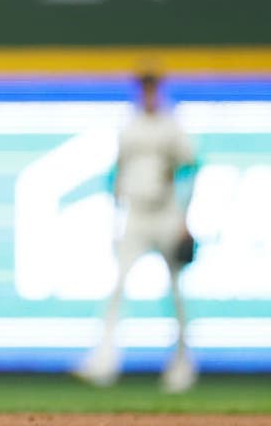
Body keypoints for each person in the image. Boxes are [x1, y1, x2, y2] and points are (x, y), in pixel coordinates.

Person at [74, 69, 199, 393]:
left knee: (174, 294)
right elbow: (118, 172)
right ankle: (103, 362)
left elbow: (191, 168)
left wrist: (185, 219)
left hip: (167, 215)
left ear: (159, 90)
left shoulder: (172, 126)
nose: (148, 93)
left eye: (152, 88)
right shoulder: (129, 127)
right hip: (136, 216)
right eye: (143, 88)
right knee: (117, 288)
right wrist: (114, 218)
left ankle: (182, 365)